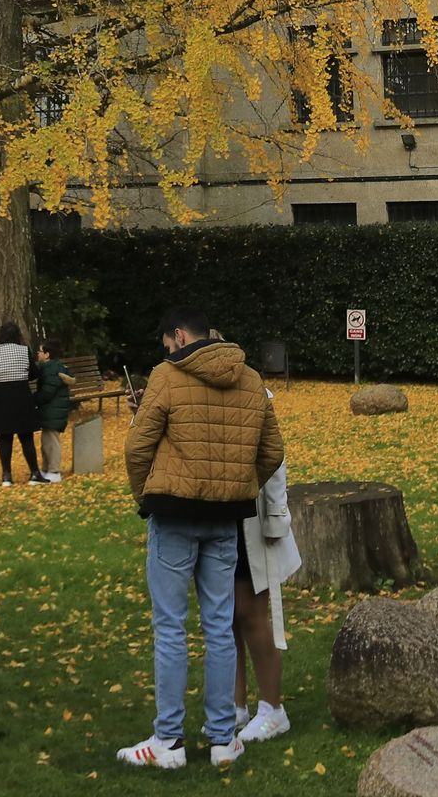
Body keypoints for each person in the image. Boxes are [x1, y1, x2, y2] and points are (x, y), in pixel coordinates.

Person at [116, 306, 283, 772]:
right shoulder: (251, 380)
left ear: (179, 335)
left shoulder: (167, 376)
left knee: (170, 627)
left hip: (172, 514)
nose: (167, 351)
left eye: (168, 343)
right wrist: (237, 486)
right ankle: (223, 738)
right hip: (225, 518)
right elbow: (273, 451)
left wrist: (145, 493)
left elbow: (137, 446)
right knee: (218, 625)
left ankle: (168, 739)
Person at [231, 386, 301, 744]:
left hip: (249, 522)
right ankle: (235, 705)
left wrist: (276, 518)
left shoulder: (252, 393)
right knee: (223, 617)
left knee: (251, 614)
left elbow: (274, 461)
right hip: (217, 522)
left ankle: (273, 708)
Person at [0, 321, 38, 486]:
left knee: (5, 437)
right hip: (21, 396)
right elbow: (33, 373)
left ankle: (7, 475)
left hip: (0, 398)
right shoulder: (24, 351)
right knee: (26, 436)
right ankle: (35, 473)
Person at [32, 338, 75, 484]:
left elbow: (47, 392)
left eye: (40, 351)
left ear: (47, 354)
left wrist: (34, 399)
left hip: (52, 411)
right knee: (46, 441)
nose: (38, 354)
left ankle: (54, 470)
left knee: (51, 442)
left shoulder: (50, 369)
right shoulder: (53, 367)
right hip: (51, 411)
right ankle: (46, 467)